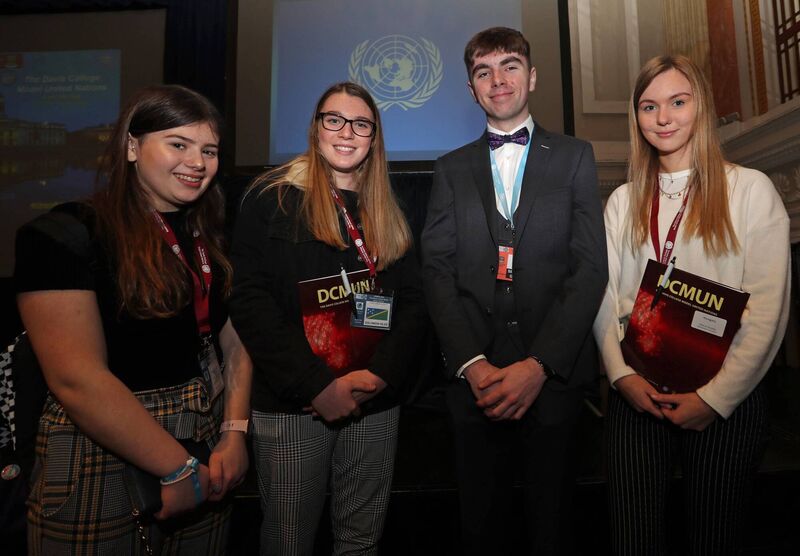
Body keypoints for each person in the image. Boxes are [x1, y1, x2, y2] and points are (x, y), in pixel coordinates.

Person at [15, 85, 252, 554]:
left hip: (204, 443)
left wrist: (235, 434)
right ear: (131, 146)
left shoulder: (209, 237)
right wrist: (176, 467)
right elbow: (77, 379)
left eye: (209, 150)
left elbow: (234, 345)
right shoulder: (64, 234)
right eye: (178, 144)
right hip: (99, 451)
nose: (198, 162)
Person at [421, 27, 608, 555]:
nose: (497, 79)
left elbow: (590, 267)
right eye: (483, 71)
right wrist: (472, 363)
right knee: (480, 527)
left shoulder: (575, 155)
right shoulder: (450, 168)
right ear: (470, 87)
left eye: (508, 65)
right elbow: (436, 271)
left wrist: (540, 365)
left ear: (532, 75)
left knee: (553, 525)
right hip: (472, 383)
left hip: (553, 380)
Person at [593, 55, 790, 555]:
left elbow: (766, 312)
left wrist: (715, 399)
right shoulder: (622, 201)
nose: (663, 118)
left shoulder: (750, 190)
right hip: (637, 395)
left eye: (678, 102)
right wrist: (621, 379)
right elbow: (604, 297)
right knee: (633, 539)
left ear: (700, 106)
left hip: (724, 400)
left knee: (715, 538)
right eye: (649, 106)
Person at [228, 81, 425, 555]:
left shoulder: (388, 208)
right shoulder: (271, 198)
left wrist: (381, 375)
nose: (346, 132)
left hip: (373, 401)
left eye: (360, 124)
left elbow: (415, 301)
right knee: (289, 540)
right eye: (333, 120)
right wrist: (316, 386)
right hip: (296, 405)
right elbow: (250, 303)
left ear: (374, 137)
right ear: (316, 130)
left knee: (361, 542)